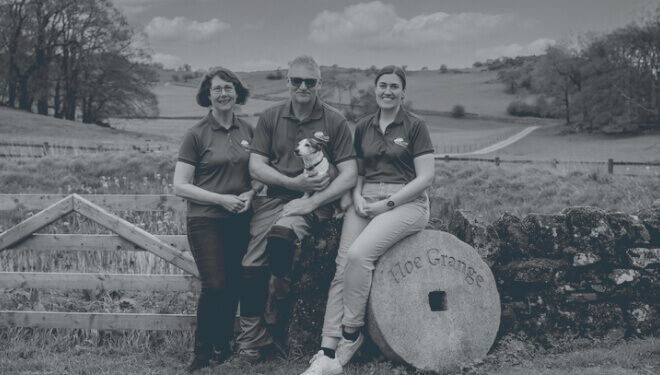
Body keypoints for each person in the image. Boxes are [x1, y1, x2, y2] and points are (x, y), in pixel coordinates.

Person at [302, 65, 435, 375]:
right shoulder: (363, 126)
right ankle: (327, 350)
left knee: (359, 255)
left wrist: (387, 203)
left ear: (403, 92)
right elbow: (358, 172)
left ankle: (351, 334)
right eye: (382, 85)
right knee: (341, 266)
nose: (387, 91)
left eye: (393, 86)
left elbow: (426, 177)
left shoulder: (416, 126)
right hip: (366, 200)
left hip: (406, 203)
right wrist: (360, 198)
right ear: (375, 90)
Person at [229, 55, 357, 364]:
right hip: (273, 199)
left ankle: (280, 287)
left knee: (282, 236)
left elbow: (350, 173)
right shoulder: (272, 117)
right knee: (250, 263)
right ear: (288, 82)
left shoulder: (335, 121)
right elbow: (256, 166)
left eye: (309, 81)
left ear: (319, 84)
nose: (303, 86)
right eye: (296, 80)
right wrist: (292, 182)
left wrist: (311, 200)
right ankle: (251, 341)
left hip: (315, 203)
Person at [173, 67, 262, 372]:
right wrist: (221, 199)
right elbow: (180, 185)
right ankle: (199, 357)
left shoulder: (250, 131)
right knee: (215, 285)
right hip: (206, 219)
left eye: (229, 88)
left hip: (241, 218)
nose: (224, 94)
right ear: (207, 95)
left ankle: (222, 349)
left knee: (234, 284)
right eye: (217, 89)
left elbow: (260, 174)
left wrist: (252, 194)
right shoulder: (196, 134)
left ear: (237, 93)